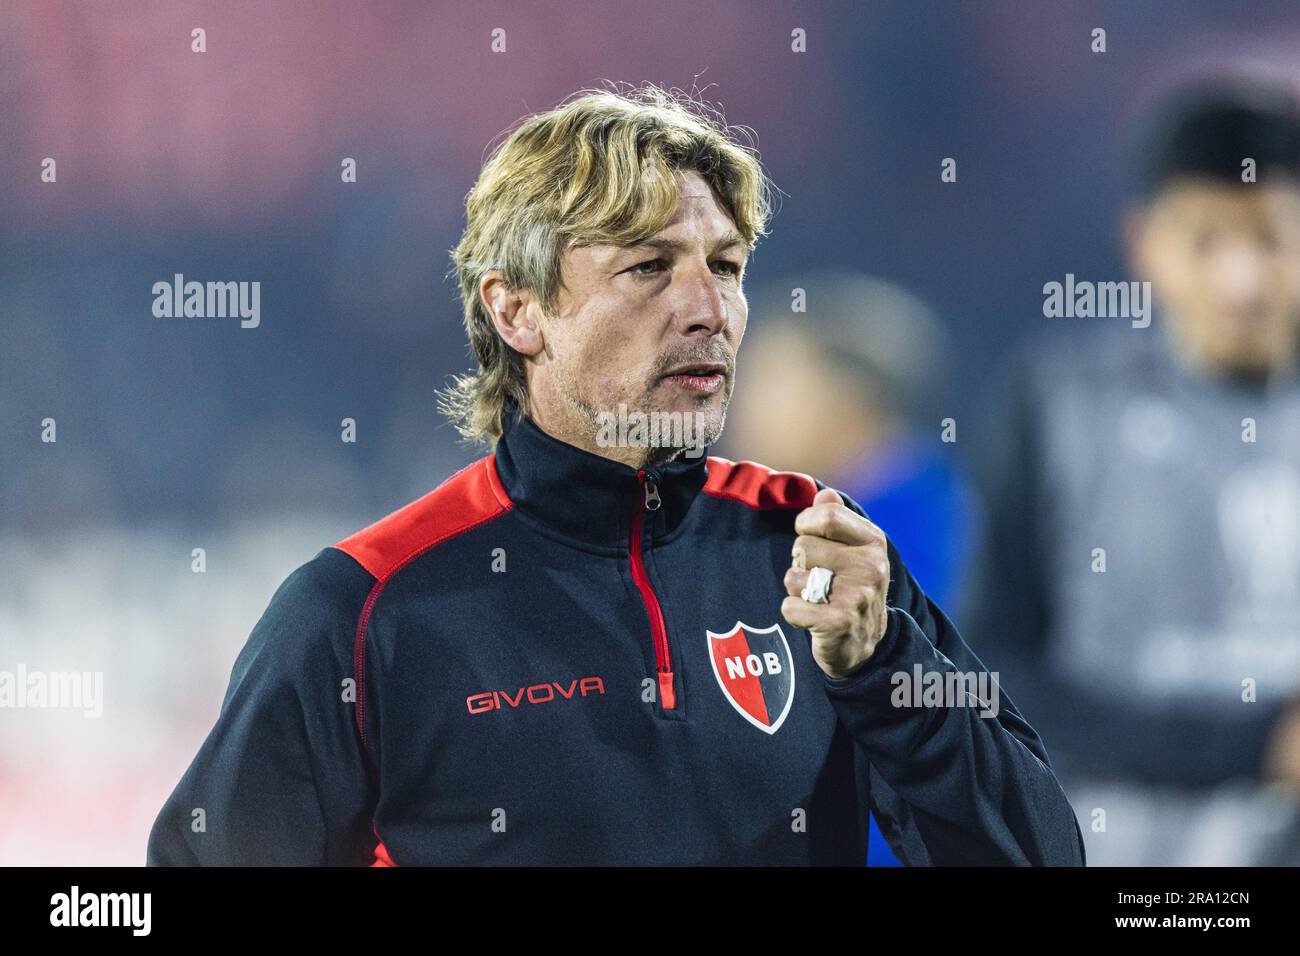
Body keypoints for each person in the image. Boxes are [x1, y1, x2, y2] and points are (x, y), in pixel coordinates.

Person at [148, 83, 1083, 866]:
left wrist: (885, 674)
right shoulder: (360, 609)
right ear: (519, 312)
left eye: (727, 264)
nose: (708, 308)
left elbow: (1040, 857)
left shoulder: (816, 548)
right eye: (647, 269)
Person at [964, 76, 1300, 865]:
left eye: (1271, 237)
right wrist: (1253, 746)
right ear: (1143, 243)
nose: (1241, 281)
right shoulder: (1055, 405)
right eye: (1205, 241)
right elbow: (988, 674)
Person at [725, 272, 978, 865]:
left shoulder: (894, 533)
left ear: (843, 395)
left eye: (769, 379)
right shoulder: (933, 506)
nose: (741, 405)